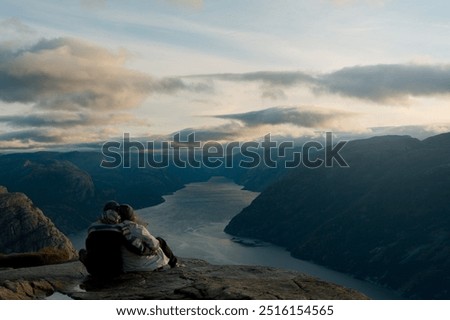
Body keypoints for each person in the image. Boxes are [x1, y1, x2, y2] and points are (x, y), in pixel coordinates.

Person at [117, 204, 178, 272]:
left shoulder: (116, 229)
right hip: (143, 265)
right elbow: (155, 245)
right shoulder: (138, 229)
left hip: (127, 266)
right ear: (131, 216)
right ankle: (174, 264)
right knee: (160, 241)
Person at [79, 201, 125, 278]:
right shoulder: (120, 228)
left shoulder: (92, 228)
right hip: (116, 270)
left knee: (82, 252)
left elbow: (89, 247)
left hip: (94, 270)